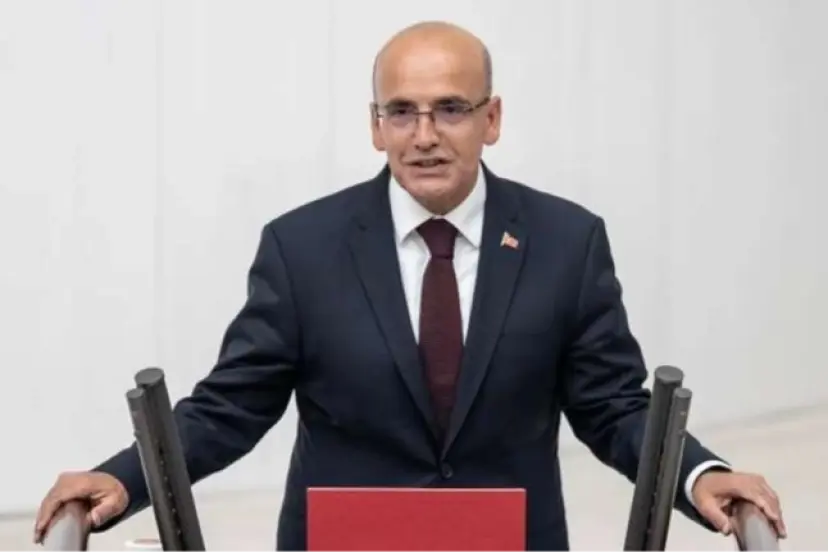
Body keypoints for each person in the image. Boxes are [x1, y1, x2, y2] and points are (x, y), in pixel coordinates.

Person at [34, 20, 786, 551]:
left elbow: (613, 406)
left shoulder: (566, 242)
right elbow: (230, 408)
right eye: (401, 112)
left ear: (492, 118)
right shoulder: (302, 248)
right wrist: (121, 478)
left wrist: (699, 474)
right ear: (376, 126)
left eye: (451, 109)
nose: (424, 136)